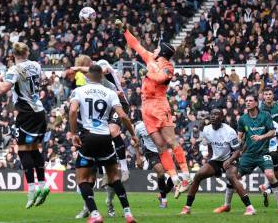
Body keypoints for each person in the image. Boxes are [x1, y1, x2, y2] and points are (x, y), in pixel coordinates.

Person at [116, 19, 191, 196]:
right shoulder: (150, 58)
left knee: (171, 141)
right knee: (160, 146)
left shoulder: (167, 67)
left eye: (157, 48)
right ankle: (175, 180)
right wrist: (125, 30)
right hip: (146, 107)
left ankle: (186, 176)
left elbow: (161, 79)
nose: (154, 50)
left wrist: (147, 72)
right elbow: (136, 45)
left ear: (162, 52)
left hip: (159, 104)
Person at [69, 64, 142, 223]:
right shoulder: (109, 92)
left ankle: (95, 214)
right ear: (102, 76)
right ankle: (128, 214)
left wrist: (74, 134)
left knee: (83, 179)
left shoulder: (79, 91)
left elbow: (73, 111)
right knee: (114, 177)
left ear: (88, 76)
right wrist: (133, 135)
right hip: (105, 137)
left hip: (88, 137)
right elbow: (122, 115)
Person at [0, 42, 49, 209]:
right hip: (40, 112)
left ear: (13, 54)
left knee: (23, 150)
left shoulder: (14, 70)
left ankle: (31, 191)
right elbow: (40, 80)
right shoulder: (36, 65)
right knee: (34, 149)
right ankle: (42, 185)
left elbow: (3, 89)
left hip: (26, 114)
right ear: (27, 52)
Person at [217, 95, 278, 214]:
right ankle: (226, 205)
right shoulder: (243, 119)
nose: (248, 103)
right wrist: (236, 145)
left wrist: (261, 137)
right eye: (246, 101)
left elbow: (272, 131)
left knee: (270, 174)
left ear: (256, 103)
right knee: (233, 177)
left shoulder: (265, 115)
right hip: (248, 154)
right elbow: (240, 137)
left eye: (250, 101)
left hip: (263, 153)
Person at [179, 109, 255, 215]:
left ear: (221, 118)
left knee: (231, 177)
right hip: (216, 160)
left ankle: (250, 208)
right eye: (212, 114)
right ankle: (187, 207)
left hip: (231, 158)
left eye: (216, 114)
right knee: (198, 175)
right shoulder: (206, 129)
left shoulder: (229, 131)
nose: (213, 116)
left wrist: (229, 160)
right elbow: (210, 145)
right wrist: (212, 160)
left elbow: (237, 151)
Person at [135, 120, 174, 208]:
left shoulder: (160, 122)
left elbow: (169, 137)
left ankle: (161, 195)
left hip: (163, 151)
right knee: (160, 172)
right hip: (151, 153)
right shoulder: (139, 127)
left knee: (173, 178)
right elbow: (135, 143)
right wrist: (138, 158)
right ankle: (164, 201)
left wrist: (172, 149)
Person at [260, 121, 278, 207]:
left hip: (266, 154)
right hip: (274, 154)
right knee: (275, 180)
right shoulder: (277, 125)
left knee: (273, 181)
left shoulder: (260, 123)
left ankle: (267, 190)